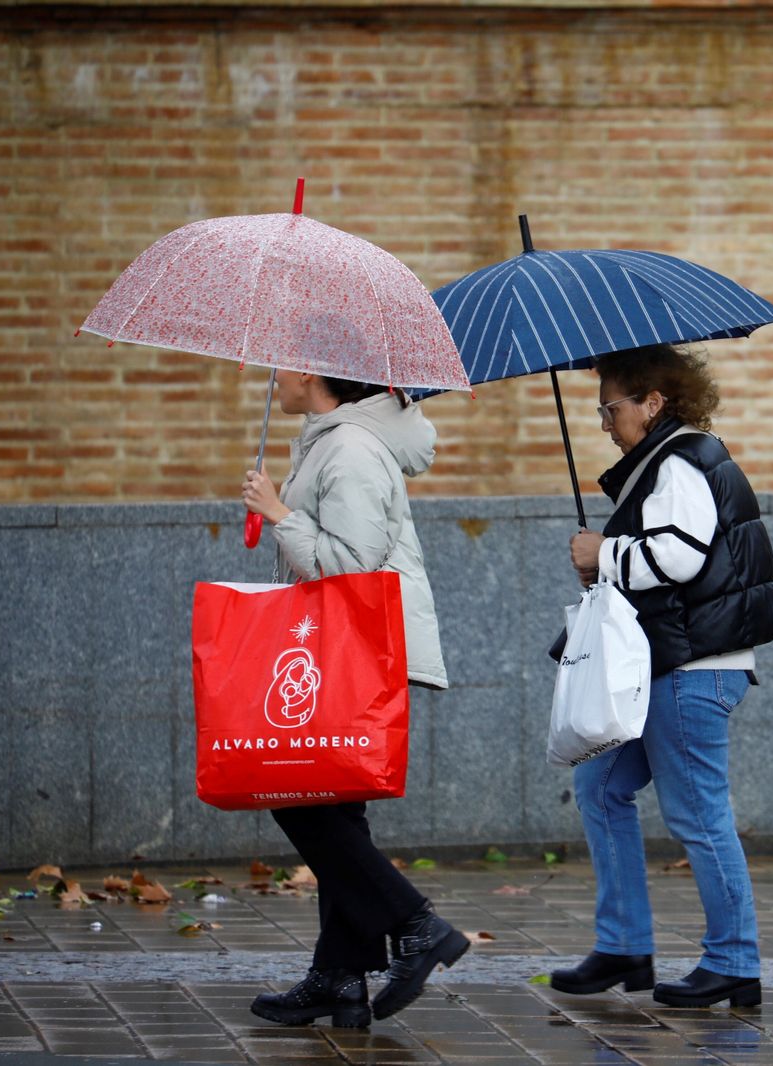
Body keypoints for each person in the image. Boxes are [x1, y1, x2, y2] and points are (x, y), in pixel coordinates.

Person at [552, 343, 773, 1009]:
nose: (603, 420)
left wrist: (607, 553)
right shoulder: (667, 459)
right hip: (673, 661)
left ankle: (735, 962)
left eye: (611, 406)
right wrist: (610, 557)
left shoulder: (681, 461)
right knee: (599, 784)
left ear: (653, 402)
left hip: (693, 669)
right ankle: (624, 945)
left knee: (699, 815)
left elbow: (679, 557)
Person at [239, 370, 467, 1027]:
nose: (273, 381)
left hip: (358, 649)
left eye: (281, 369)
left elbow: (352, 571)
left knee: (295, 794)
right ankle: (340, 978)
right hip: (336, 649)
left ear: (311, 375)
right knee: (332, 807)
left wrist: (278, 514)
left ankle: (417, 924)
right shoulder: (329, 441)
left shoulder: (353, 450)